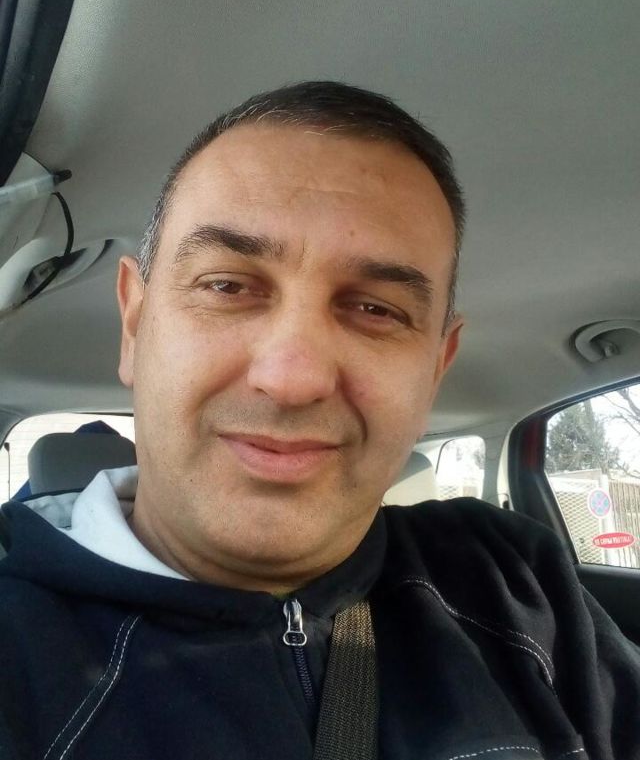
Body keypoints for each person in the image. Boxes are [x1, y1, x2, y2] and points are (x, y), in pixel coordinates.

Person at [1, 81, 639, 760]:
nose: (292, 377)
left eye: (376, 309)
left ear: (436, 367)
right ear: (134, 323)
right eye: (228, 285)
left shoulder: (514, 584)